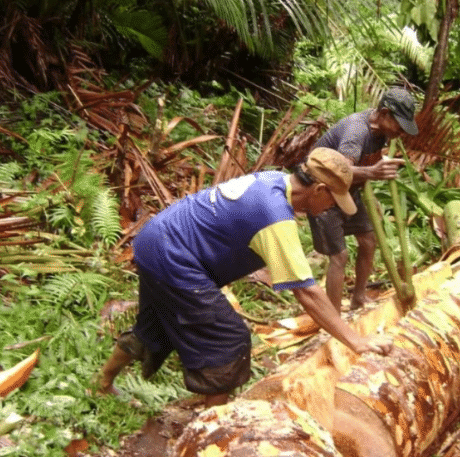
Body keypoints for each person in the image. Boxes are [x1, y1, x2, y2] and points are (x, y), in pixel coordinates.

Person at [95, 147, 391, 408]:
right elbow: (306, 291)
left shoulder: (273, 180)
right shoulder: (274, 216)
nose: (332, 208)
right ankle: (212, 421)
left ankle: (102, 385)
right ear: (318, 190)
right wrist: (356, 341)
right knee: (227, 338)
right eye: (333, 200)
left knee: (156, 322)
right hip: (174, 255)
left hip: (155, 239)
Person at [307, 87, 418, 312]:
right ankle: (334, 317)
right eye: (399, 124)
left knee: (368, 241)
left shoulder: (381, 134)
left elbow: (357, 172)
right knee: (339, 256)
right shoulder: (357, 131)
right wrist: (372, 173)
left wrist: (370, 191)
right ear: (384, 113)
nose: (401, 132)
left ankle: (358, 299)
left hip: (347, 192)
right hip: (321, 192)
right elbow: (339, 172)